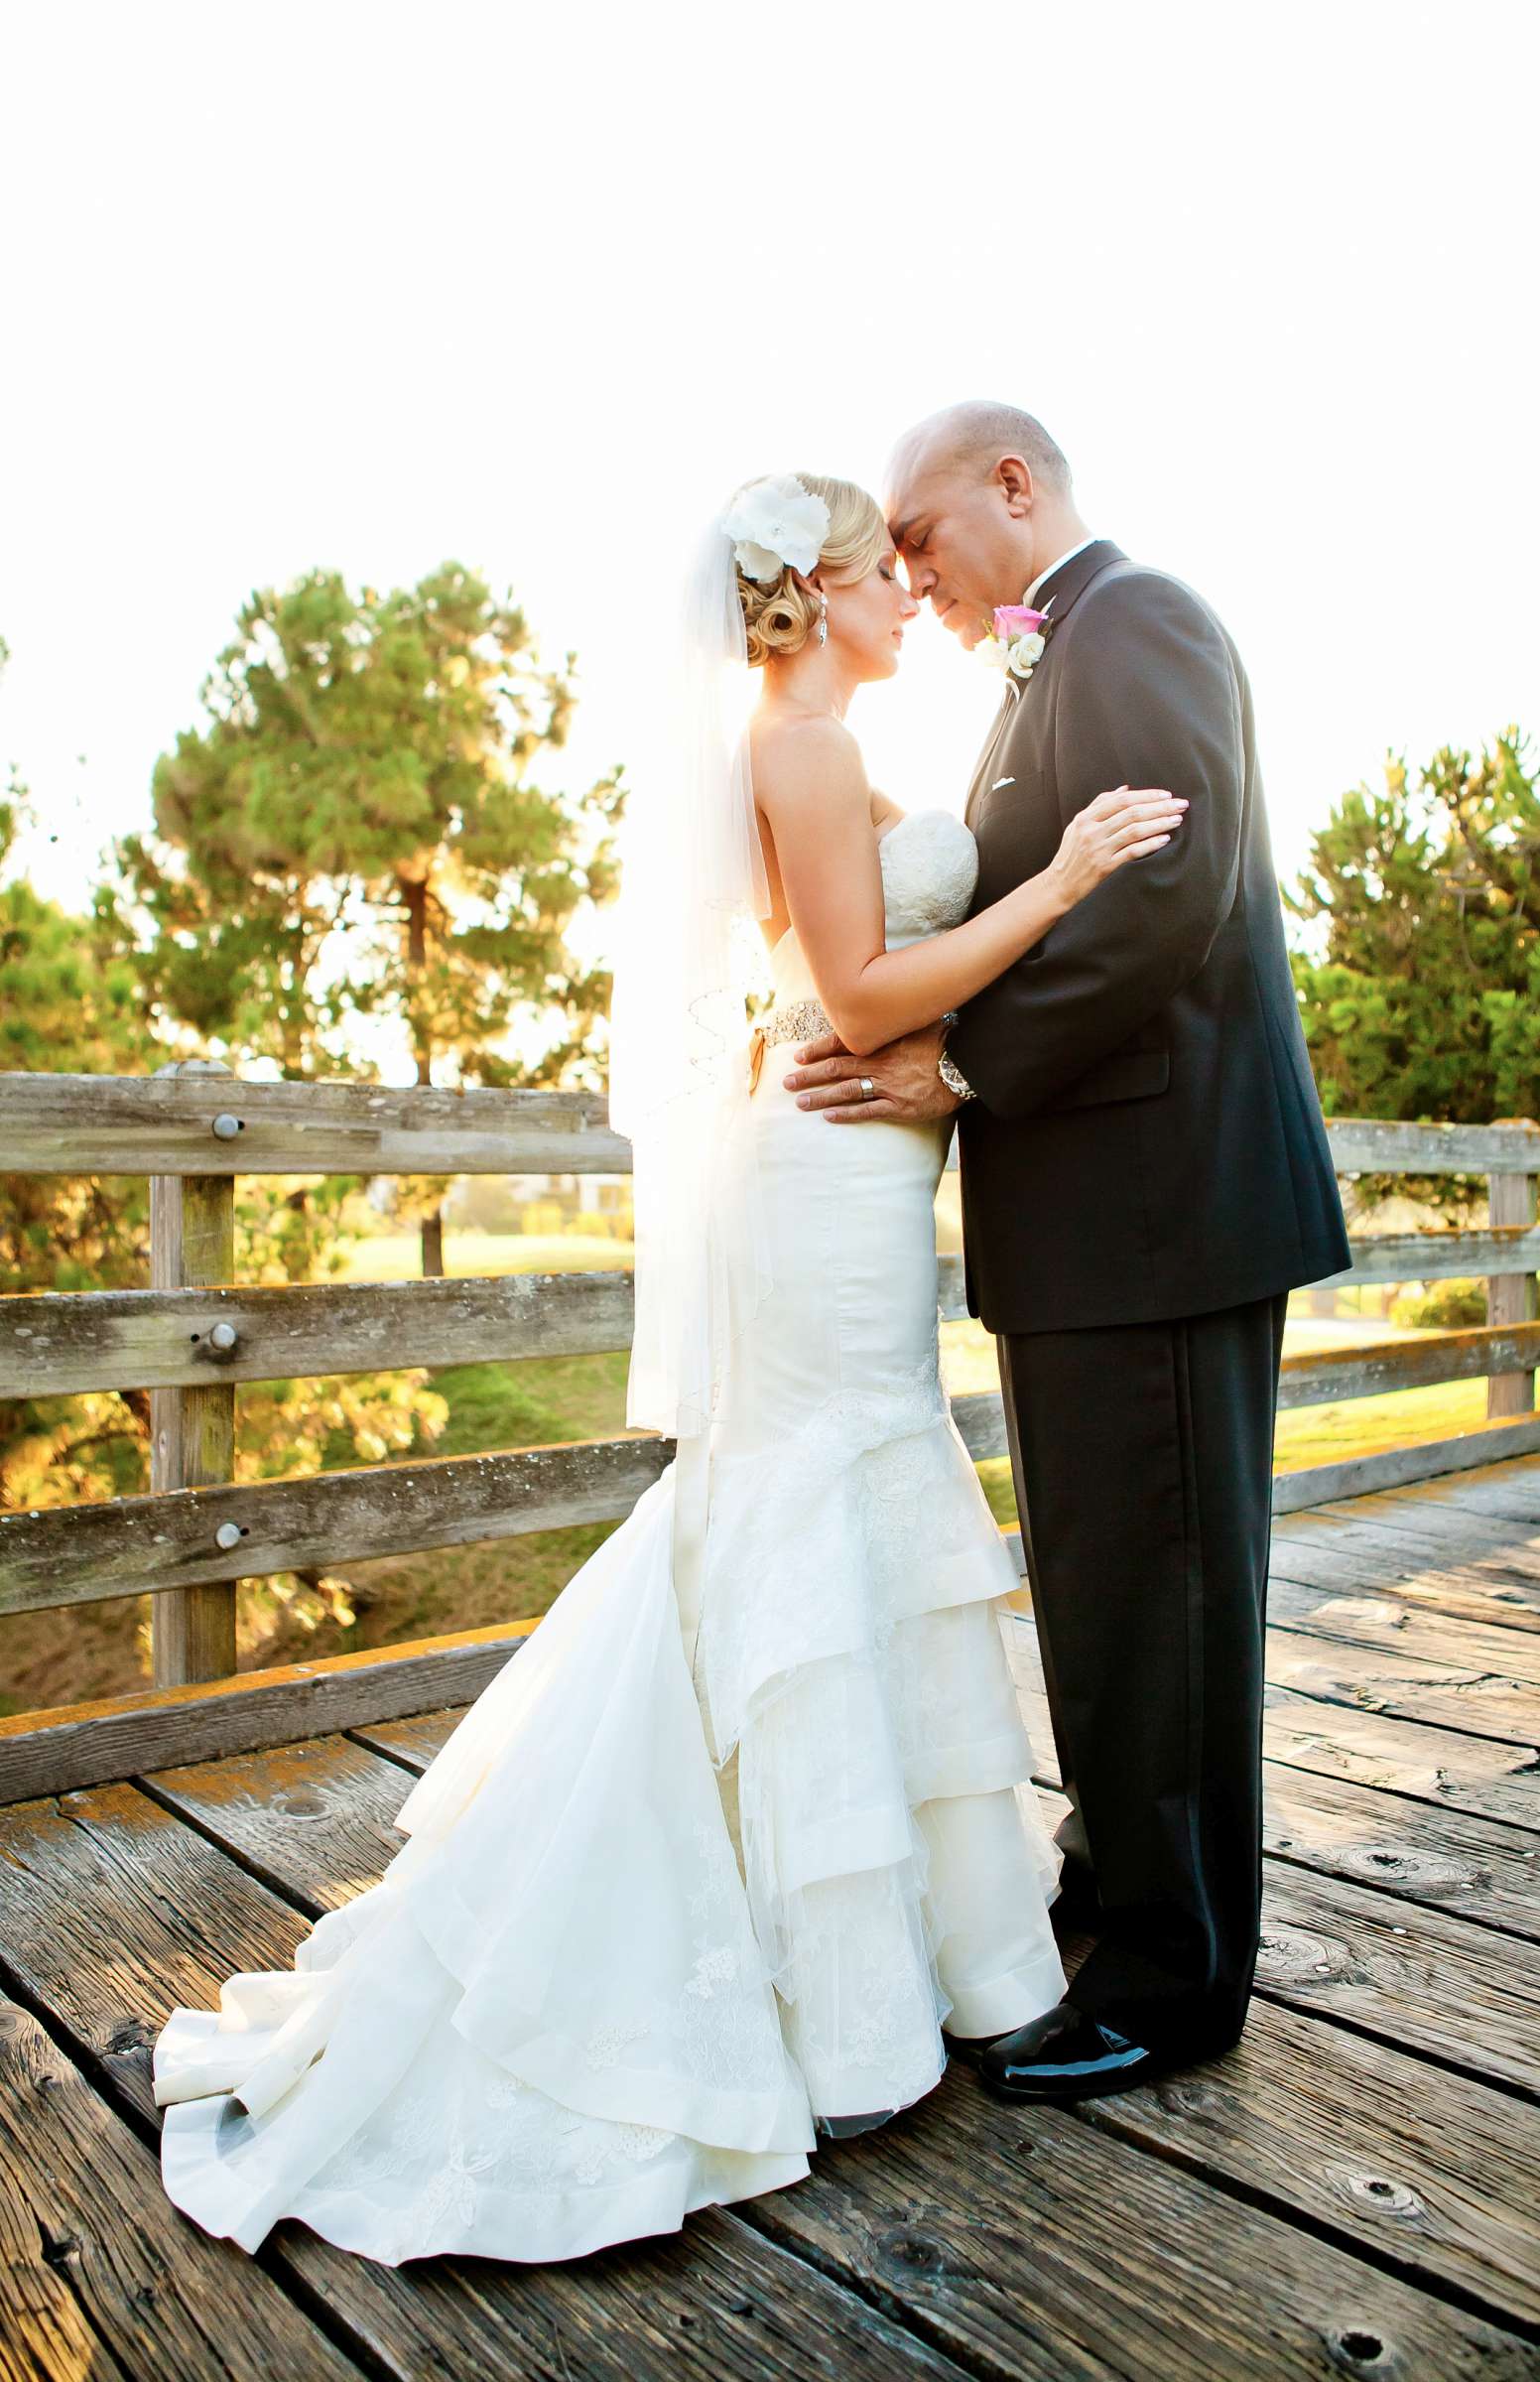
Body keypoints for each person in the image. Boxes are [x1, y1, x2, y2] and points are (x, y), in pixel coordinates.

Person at [150, 468, 1183, 2264]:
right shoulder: (791, 742)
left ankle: (894, 1965)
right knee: (809, 1503)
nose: (905, 595)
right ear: (813, 598)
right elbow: (861, 998)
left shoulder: (810, 733)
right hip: (830, 1171)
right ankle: (804, 1979)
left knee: (841, 1501)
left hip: (857, 1172)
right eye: (883, 570)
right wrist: (1071, 879)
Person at [782, 404, 1351, 2103]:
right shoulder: (1045, 670)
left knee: (1165, 1605)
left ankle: (1175, 1986)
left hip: (1164, 1210)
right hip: (1086, 1226)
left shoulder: (1144, 619)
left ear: (1013, 487)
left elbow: (1165, 902)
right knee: (1107, 1600)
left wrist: (954, 1066)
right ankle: (1113, 1901)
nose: (907, 570)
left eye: (922, 531)